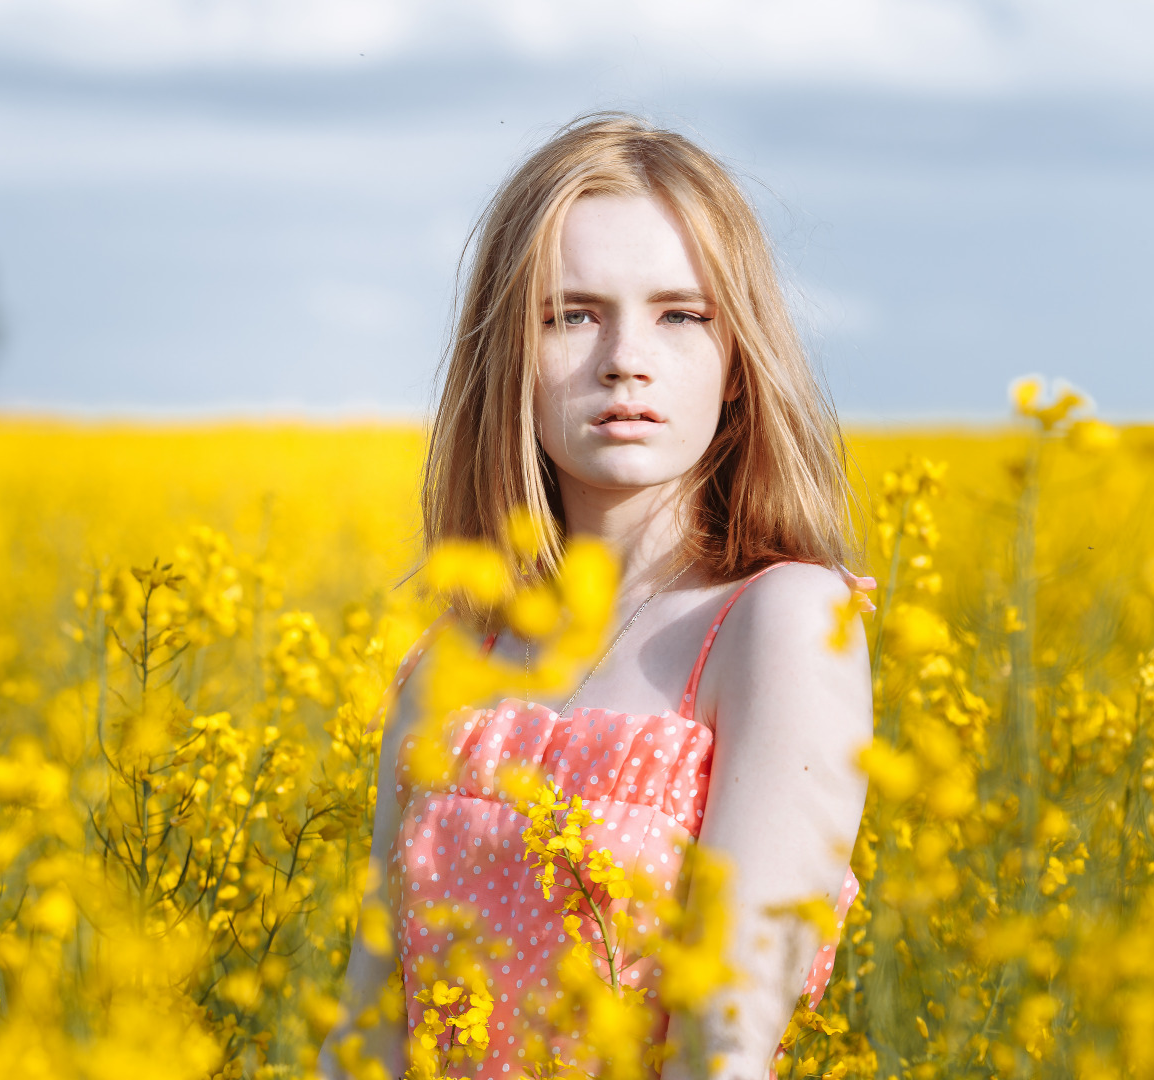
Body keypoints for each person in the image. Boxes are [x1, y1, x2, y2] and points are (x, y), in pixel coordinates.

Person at [321, 114, 872, 1080]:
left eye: (679, 314)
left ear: (737, 361)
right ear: (510, 361)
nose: (625, 358)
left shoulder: (779, 623)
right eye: (571, 314)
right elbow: (365, 1040)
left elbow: (720, 1051)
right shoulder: (450, 668)